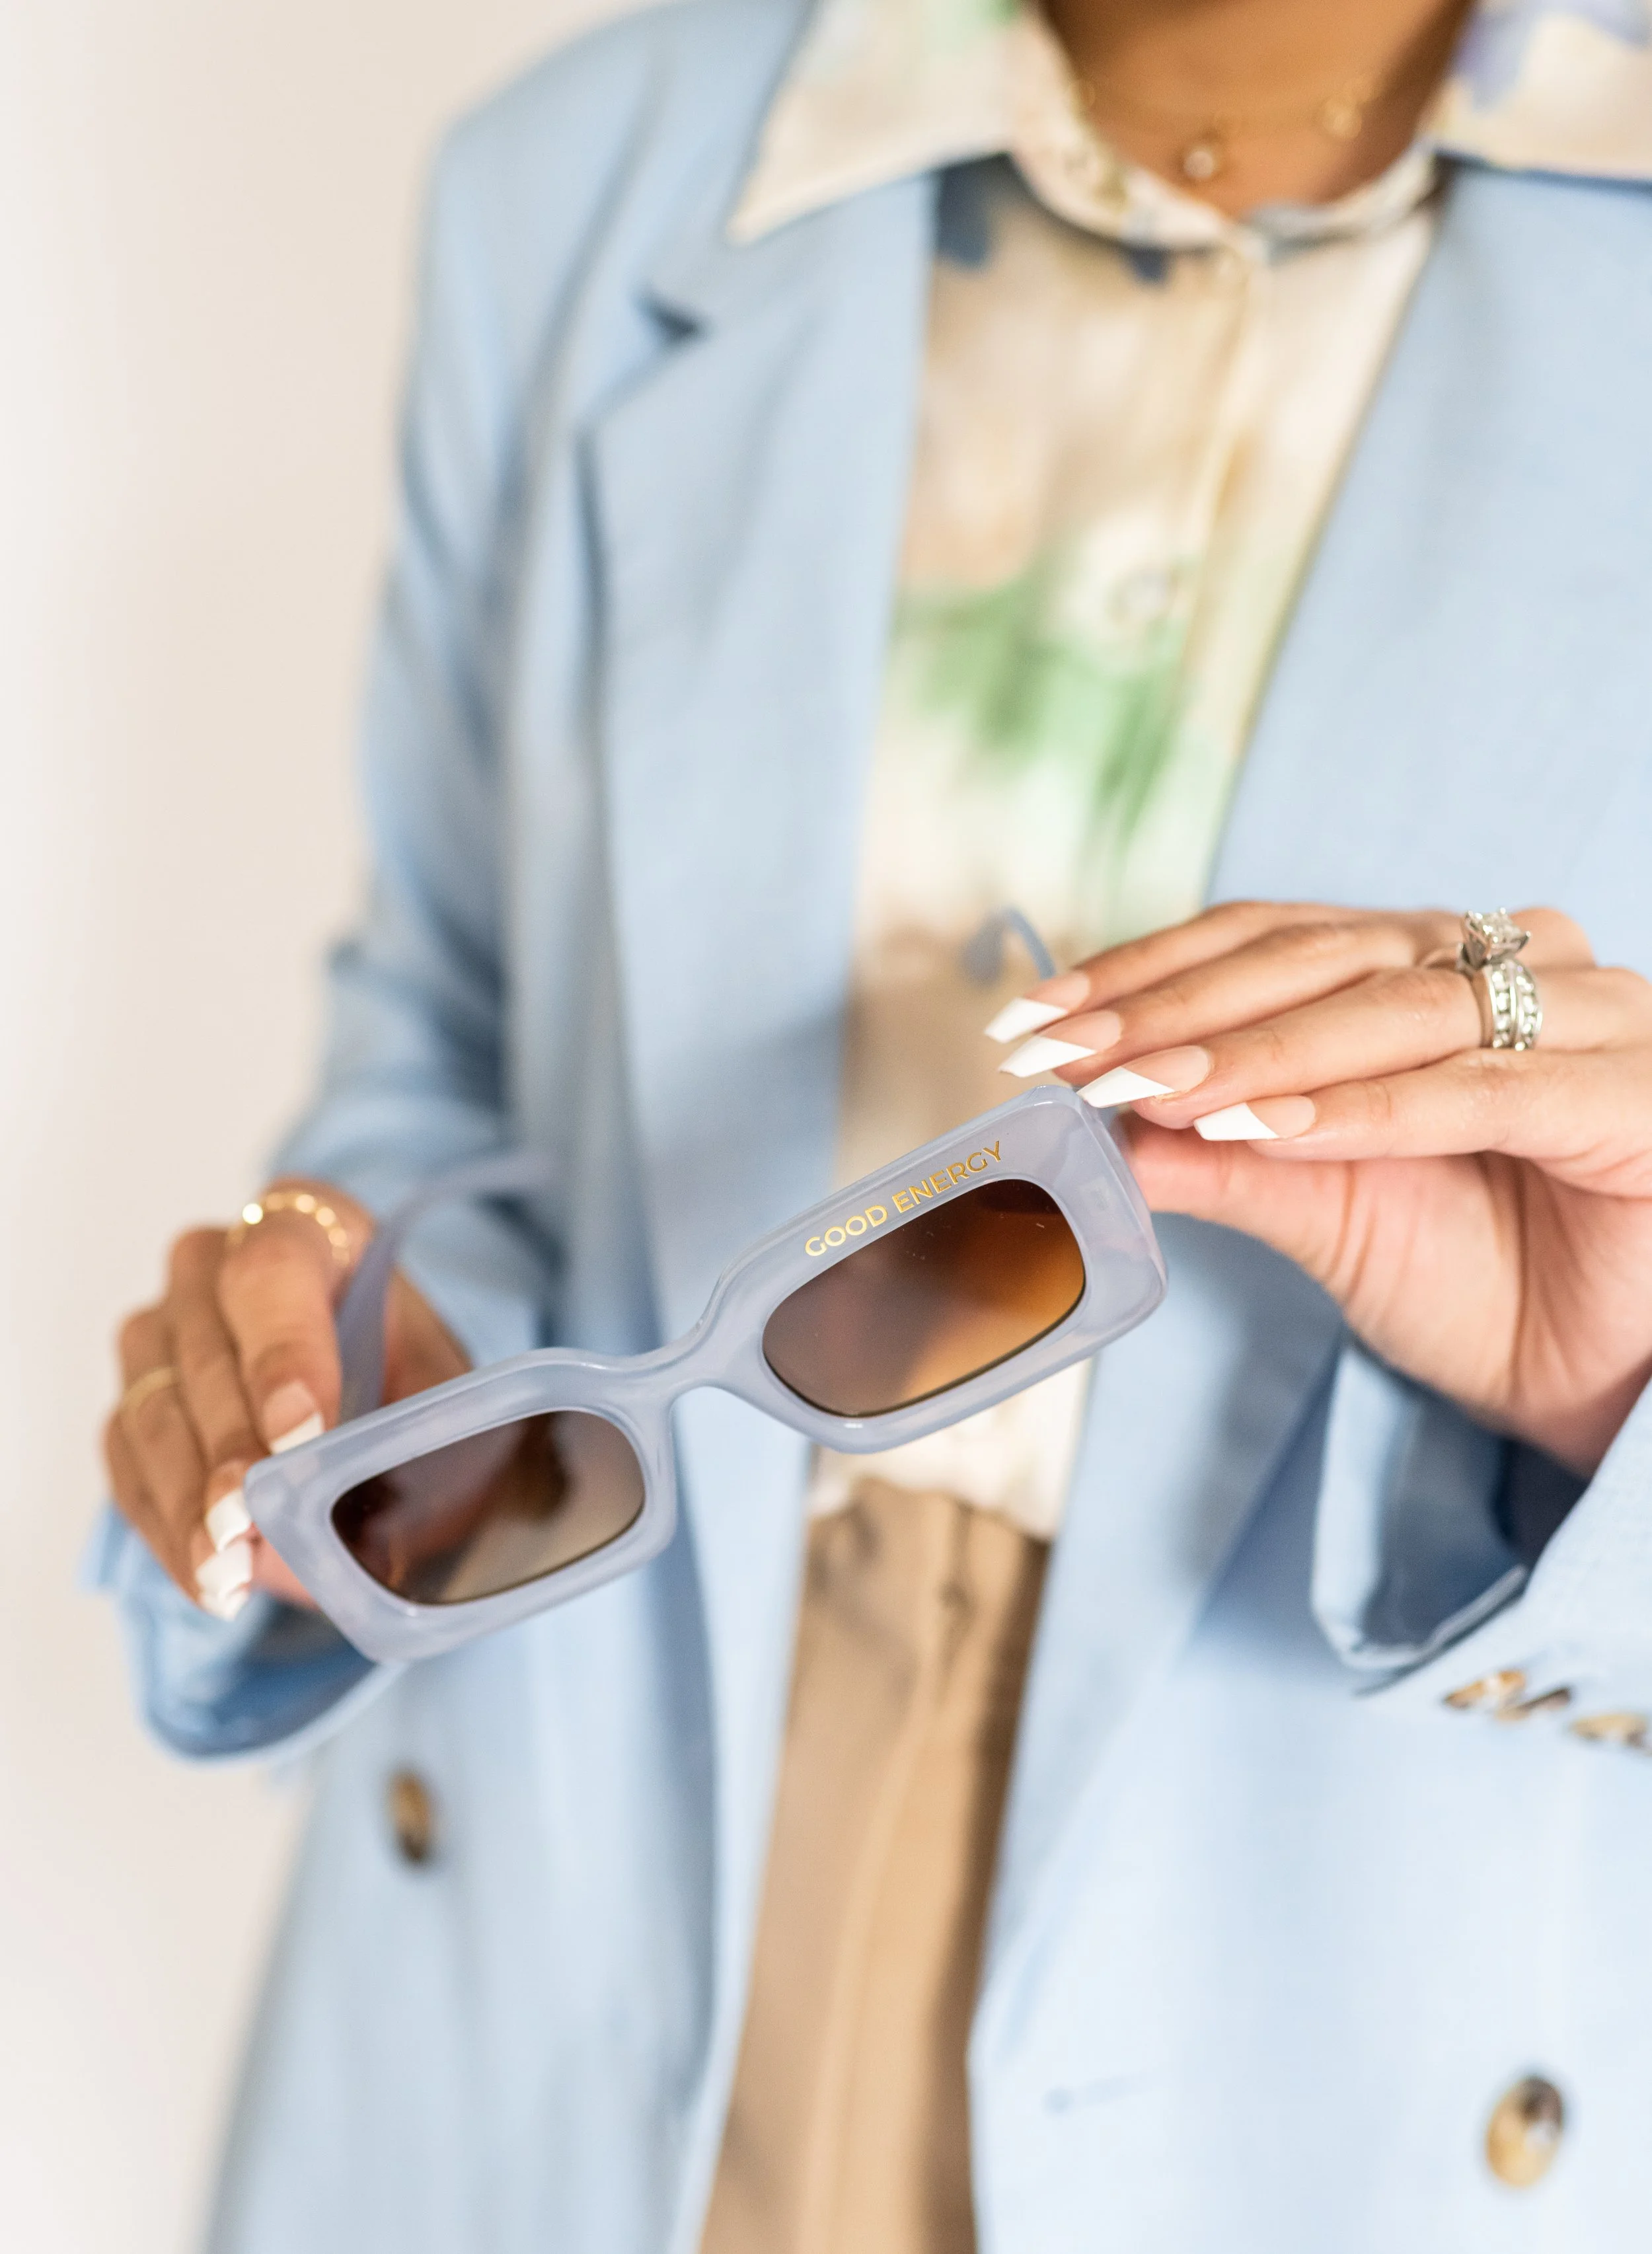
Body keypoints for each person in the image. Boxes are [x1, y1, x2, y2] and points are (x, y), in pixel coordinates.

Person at [93, 0, 1652, 2243]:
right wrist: (357, 1344)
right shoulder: (589, 183)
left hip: (1336, 1978)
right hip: (565, 1920)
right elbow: (451, 1021)